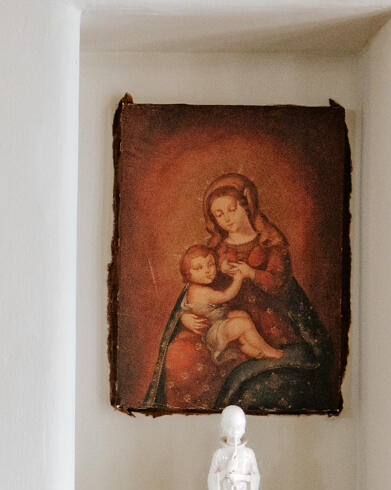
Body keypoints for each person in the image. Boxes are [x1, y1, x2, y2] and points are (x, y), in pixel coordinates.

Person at [141, 174, 338, 414]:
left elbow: (279, 282)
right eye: (219, 215)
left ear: (247, 206)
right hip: (222, 319)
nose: (226, 219)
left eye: (231, 210)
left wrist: (252, 274)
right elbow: (197, 292)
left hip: (268, 323)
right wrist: (185, 318)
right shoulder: (216, 249)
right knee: (179, 355)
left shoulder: (270, 245)